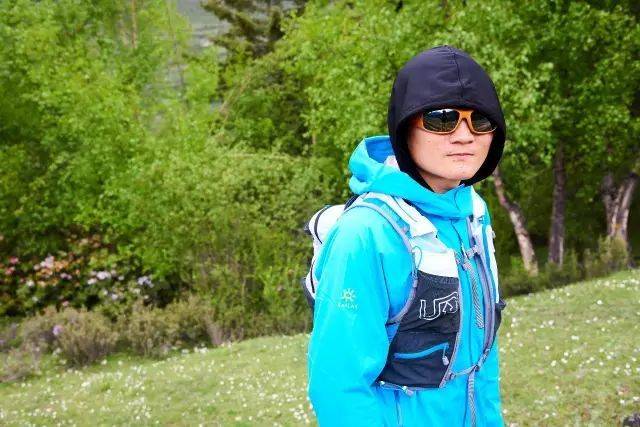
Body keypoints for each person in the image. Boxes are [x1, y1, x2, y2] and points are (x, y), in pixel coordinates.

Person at [306, 45, 507, 427]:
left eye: (480, 120)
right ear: (405, 127)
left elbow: (482, 360)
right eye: (442, 119)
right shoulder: (366, 234)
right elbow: (339, 387)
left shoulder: (472, 213)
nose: (464, 136)